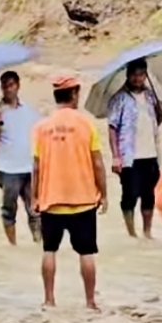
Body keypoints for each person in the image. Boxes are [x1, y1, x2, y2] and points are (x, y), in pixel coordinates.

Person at [31, 75, 108, 310]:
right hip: (83, 199)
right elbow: (97, 163)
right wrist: (103, 193)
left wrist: (35, 196)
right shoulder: (86, 125)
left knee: (49, 250)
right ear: (74, 93)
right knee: (86, 252)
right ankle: (90, 302)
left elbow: (36, 166)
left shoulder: (41, 128)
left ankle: (49, 300)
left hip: (51, 199)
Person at [107, 59, 162, 239]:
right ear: (128, 75)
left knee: (149, 194)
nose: (137, 78)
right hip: (130, 155)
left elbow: (156, 122)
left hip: (150, 153)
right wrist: (116, 157)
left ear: (145, 75)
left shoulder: (150, 96)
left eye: (141, 74)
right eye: (134, 74)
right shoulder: (119, 98)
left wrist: (160, 112)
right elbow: (112, 128)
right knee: (130, 194)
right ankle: (131, 232)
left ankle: (147, 231)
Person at [0, 70, 42, 245]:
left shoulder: (29, 111)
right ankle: (13, 246)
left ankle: (38, 244)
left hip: (29, 168)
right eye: (4, 86)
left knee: (35, 210)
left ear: (18, 86)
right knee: (9, 211)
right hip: (8, 169)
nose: (8, 89)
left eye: (11, 85)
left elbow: (38, 135)